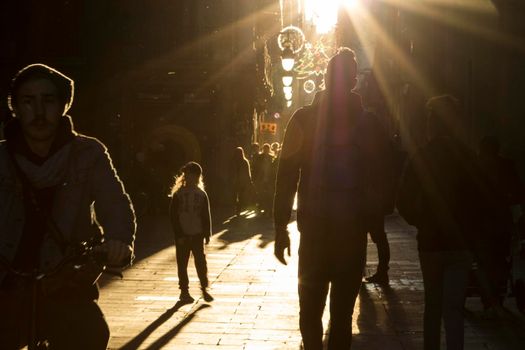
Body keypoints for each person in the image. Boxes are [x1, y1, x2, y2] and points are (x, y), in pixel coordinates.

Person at [0, 63, 136, 349]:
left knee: (91, 334)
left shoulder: (88, 153)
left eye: (48, 100)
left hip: (64, 277)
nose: (39, 112)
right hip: (7, 279)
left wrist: (119, 241)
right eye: (28, 101)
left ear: (64, 105)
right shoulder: (1, 157)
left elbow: (115, 203)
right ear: (15, 108)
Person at [274, 47, 388, 349]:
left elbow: (286, 175)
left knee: (310, 312)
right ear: (354, 82)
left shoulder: (304, 119)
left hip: (314, 233)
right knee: (341, 317)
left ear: (325, 78)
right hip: (351, 234)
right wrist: (374, 226)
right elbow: (380, 179)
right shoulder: (368, 124)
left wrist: (279, 226)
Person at [397, 95, 481, 350]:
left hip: (431, 242)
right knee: (454, 308)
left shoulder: (422, 156)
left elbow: (402, 199)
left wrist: (420, 221)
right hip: (461, 241)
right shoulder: (468, 157)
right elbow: (481, 198)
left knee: (433, 305)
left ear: (432, 123)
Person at [169, 161, 213, 303]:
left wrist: (207, 233)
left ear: (198, 177)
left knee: (200, 262)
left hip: (197, 234)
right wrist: (179, 234)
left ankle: (204, 287)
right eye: (188, 175)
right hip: (183, 234)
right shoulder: (178, 194)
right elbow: (173, 216)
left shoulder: (201, 194)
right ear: (185, 176)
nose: (191, 178)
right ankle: (184, 291)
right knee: (182, 263)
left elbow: (206, 215)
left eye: (194, 175)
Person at [252, 143, 276, 216]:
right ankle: (261, 207)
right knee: (261, 194)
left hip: (269, 179)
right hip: (261, 179)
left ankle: (267, 209)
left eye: (267, 149)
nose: (266, 150)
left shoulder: (272, 158)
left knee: (268, 195)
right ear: (263, 149)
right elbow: (256, 168)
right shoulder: (260, 157)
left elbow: (274, 169)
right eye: (265, 149)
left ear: (269, 149)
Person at [231, 146, 255, 215]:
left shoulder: (240, 161)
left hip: (239, 181)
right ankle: (238, 208)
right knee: (239, 196)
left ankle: (237, 208)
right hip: (240, 181)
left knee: (238, 195)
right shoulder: (244, 161)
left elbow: (247, 172)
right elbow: (248, 172)